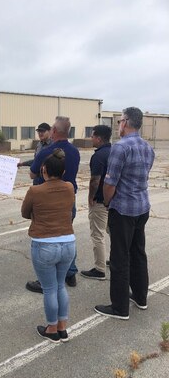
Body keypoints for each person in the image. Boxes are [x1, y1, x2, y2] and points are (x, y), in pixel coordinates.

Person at [95, 107, 155, 320]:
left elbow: (110, 184)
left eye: (120, 120)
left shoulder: (120, 148)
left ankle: (119, 307)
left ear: (126, 122)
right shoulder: (148, 147)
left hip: (123, 210)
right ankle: (140, 297)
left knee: (120, 258)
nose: (118, 125)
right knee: (138, 252)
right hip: (142, 207)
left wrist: (107, 202)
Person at [21, 149, 76, 343]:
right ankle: (62, 327)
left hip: (45, 244)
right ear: (62, 172)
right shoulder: (69, 187)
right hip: (68, 242)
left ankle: (51, 328)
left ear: (43, 170)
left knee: (49, 289)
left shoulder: (35, 190)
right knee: (61, 286)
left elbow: (25, 213)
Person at [26, 116, 80, 292]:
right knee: (66, 234)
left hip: (47, 201)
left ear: (54, 131)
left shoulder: (46, 152)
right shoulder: (75, 151)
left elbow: (33, 175)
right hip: (68, 199)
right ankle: (70, 273)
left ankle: (46, 280)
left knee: (48, 238)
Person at [81, 125, 112, 280]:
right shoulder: (114, 152)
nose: (91, 138)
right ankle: (113, 260)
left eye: (92, 136)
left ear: (99, 138)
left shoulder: (99, 156)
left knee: (97, 234)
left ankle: (99, 269)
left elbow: (95, 180)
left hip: (100, 201)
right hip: (113, 200)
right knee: (112, 232)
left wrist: (90, 197)